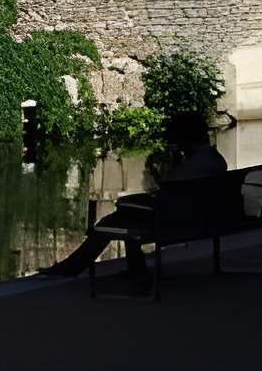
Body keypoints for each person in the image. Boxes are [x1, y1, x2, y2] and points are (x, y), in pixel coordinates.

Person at [45, 112, 226, 283]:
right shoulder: (216, 160)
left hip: (173, 222)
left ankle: (74, 267)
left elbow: (167, 189)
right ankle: (124, 269)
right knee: (120, 216)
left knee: (112, 222)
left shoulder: (191, 167)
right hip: (198, 219)